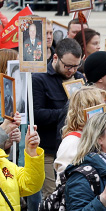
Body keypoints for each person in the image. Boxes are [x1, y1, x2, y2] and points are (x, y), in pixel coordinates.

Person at [32, 38, 84, 197]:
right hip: (48, 150)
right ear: (55, 58)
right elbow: (37, 114)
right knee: (53, 196)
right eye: (68, 66)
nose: (72, 70)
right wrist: (67, 112)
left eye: (76, 65)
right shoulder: (39, 79)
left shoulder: (79, 77)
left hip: (75, 149)